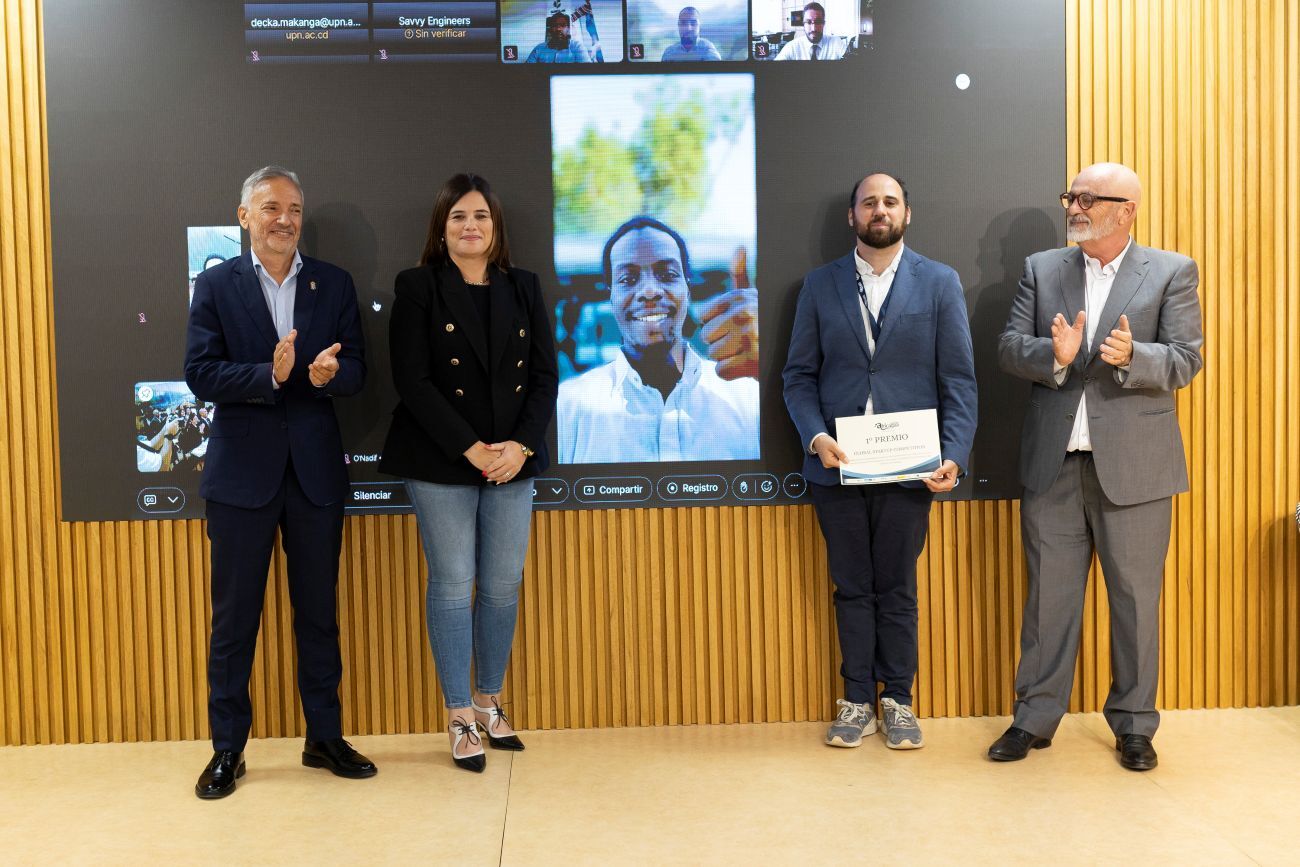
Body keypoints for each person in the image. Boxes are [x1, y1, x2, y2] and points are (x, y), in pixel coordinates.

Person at [989, 162, 1204, 771]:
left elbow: (1187, 360)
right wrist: (1049, 356)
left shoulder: (1170, 271)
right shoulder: (1042, 269)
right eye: (1070, 196)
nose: (1073, 207)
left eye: (1087, 198)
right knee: (1048, 600)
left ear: (1126, 209)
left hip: (1136, 469)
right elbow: (1010, 348)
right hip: (1053, 465)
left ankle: (1134, 726)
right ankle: (1033, 719)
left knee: (1135, 602)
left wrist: (1137, 354)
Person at [184, 166, 372, 799]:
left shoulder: (334, 283)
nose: (284, 218)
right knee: (235, 620)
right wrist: (268, 375)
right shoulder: (214, 285)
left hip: (315, 477)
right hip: (241, 479)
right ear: (244, 217)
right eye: (270, 207)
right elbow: (201, 374)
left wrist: (324, 378)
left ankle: (323, 735)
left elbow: (359, 372)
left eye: (293, 207)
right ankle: (227, 749)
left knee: (317, 614)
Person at [782, 172, 977, 750]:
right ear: (852, 217)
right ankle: (856, 698)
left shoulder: (940, 283)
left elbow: (960, 380)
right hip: (837, 466)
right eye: (869, 202)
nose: (879, 210)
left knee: (895, 586)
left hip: (911, 468)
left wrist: (955, 456)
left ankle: (899, 700)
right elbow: (798, 378)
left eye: (890, 201)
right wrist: (816, 437)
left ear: (906, 214)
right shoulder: (819, 286)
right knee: (851, 585)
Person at [380, 173, 558, 773]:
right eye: (457, 216)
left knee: (503, 584)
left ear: (495, 226)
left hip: (513, 460)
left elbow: (543, 378)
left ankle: (490, 701)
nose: (470, 226)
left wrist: (520, 447)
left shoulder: (524, 287)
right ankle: (458, 713)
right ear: (442, 226)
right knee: (454, 584)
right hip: (440, 459)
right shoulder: (418, 286)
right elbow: (414, 380)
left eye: (480, 215)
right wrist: (471, 448)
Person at [556, 216, 759, 463]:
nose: (650, 291)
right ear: (611, 297)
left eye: (667, 274)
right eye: (628, 279)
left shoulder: (749, 396)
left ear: (687, 288)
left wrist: (770, 364)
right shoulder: (567, 407)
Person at [774, 2, 849, 60]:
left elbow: (852, 66)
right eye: (809, 22)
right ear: (803, 24)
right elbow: (773, 71)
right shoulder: (791, 47)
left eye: (818, 22)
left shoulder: (836, 42)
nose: (814, 28)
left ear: (823, 24)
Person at [525, 5, 595, 62]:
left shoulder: (577, 47)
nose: (559, 29)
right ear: (550, 30)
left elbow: (587, 72)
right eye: (555, 26)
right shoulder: (539, 49)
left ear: (568, 28)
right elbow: (527, 71)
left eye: (563, 25)